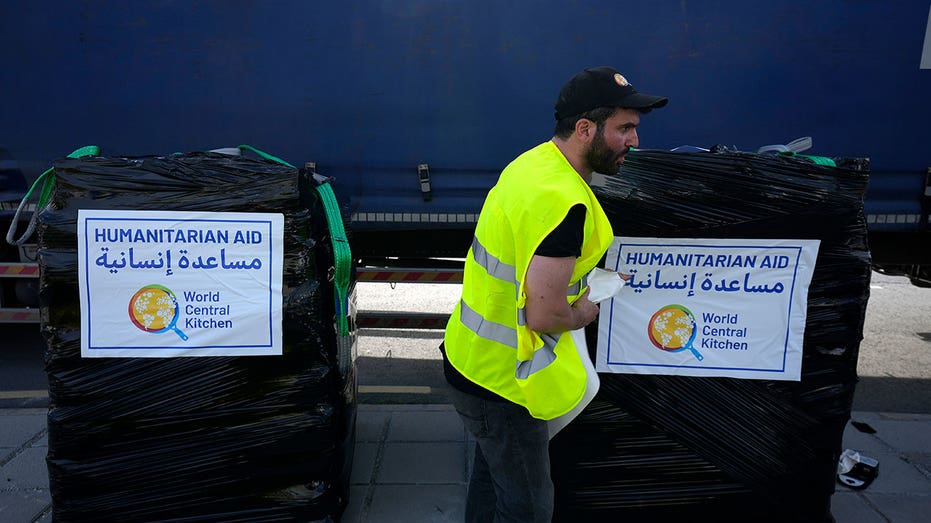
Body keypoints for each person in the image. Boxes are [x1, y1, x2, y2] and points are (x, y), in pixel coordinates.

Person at [440, 66, 668, 522]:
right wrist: (586, 309)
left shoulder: (534, 164)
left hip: (474, 359)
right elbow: (545, 316)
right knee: (527, 506)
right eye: (624, 129)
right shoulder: (564, 203)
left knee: (492, 480)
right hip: (505, 385)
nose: (634, 142)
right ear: (585, 129)